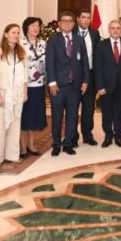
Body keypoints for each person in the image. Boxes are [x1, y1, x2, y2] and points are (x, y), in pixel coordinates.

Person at [46, 11, 90, 156]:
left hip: (75, 86)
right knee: (57, 116)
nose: (67, 23)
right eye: (64, 21)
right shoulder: (53, 40)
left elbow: (85, 62)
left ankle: (68, 143)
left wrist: (85, 81)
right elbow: (50, 63)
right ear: (59, 24)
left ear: (73, 23)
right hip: (58, 85)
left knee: (73, 116)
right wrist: (51, 82)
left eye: (69, 21)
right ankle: (56, 144)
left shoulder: (79, 40)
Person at [0, 24, 28, 168]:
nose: (16, 35)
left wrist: (25, 92)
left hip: (17, 93)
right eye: (12, 32)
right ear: (6, 34)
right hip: (2, 93)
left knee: (15, 125)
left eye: (17, 33)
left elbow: (25, 75)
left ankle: (12, 155)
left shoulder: (22, 52)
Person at [95, 19, 121, 147]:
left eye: (118, 28)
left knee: (119, 111)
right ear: (109, 30)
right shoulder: (101, 45)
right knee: (107, 111)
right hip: (106, 85)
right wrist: (100, 86)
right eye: (113, 28)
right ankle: (108, 136)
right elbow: (97, 67)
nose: (115, 30)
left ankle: (118, 136)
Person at [19, 17, 47, 158]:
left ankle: (31, 144)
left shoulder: (43, 43)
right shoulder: (20, 44)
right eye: (32, 26)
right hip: (24, 86)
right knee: (24, 117)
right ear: (26, 28)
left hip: (39, 85)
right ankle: (22, 147)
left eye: (37, 26)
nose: (36, 28)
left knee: (34, 117)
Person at [75, 10, 99, 147]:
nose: (86, 20)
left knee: (89, 107)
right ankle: (72, 136)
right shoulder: (72, 33)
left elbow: (97, 55)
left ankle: (87, 135)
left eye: (88, 18)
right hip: (74, 76)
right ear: (78, 19)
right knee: (73, 107)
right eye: (83, 17)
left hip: (90, 75)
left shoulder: (95, 33)